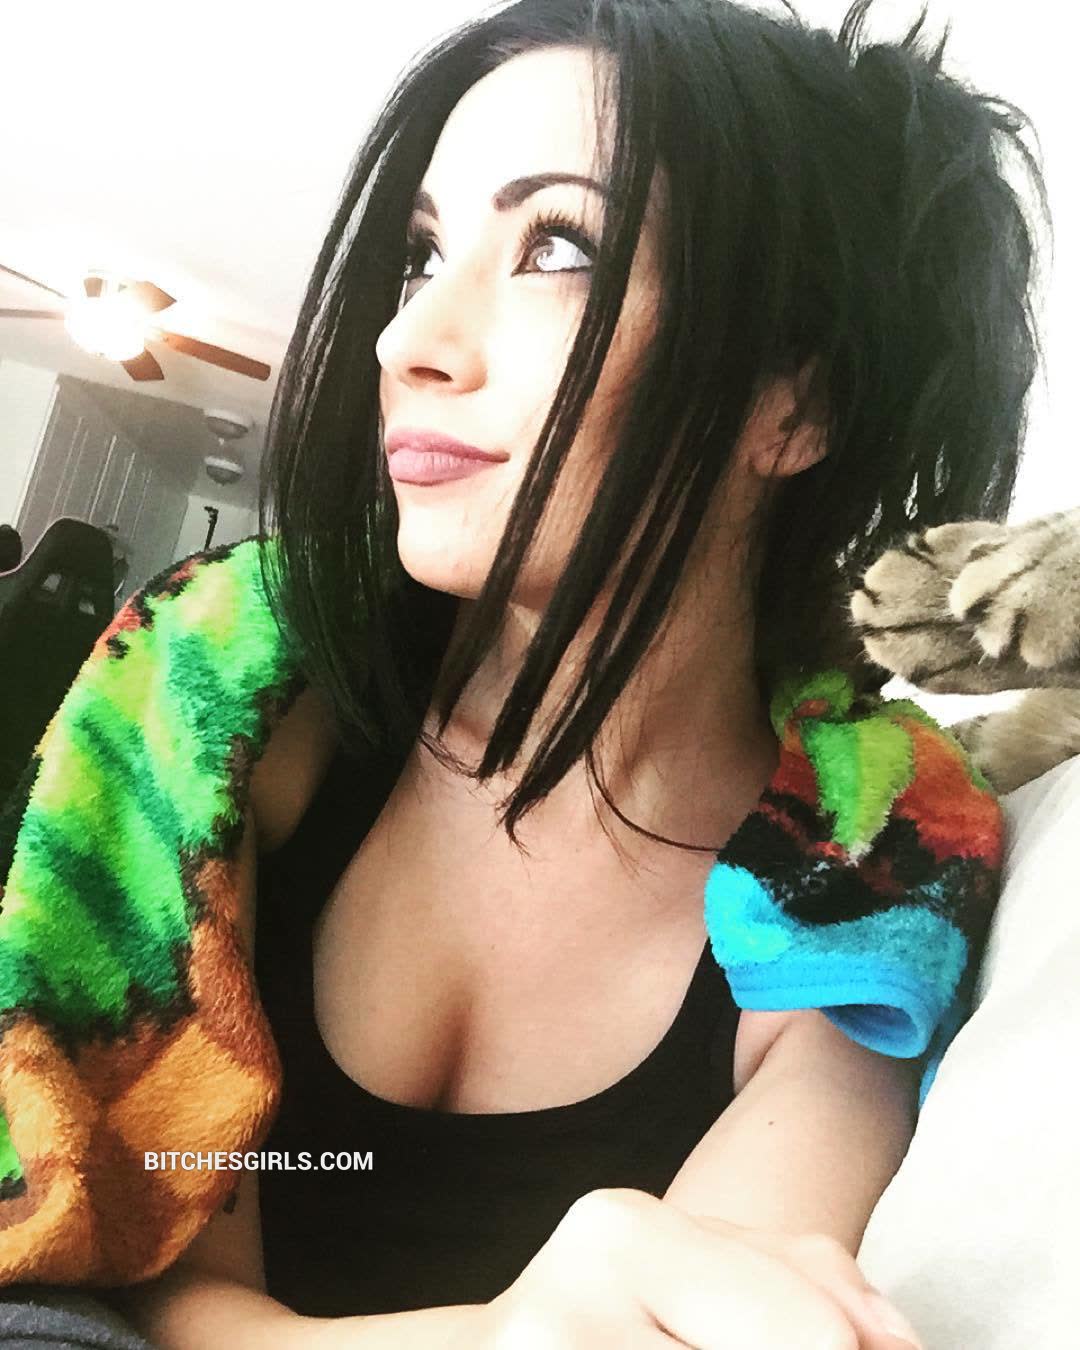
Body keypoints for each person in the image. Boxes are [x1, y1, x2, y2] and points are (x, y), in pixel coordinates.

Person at [0, 0, 1044, 1346]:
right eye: (422, 254)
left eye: (557, 246)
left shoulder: (875, 858)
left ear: (795, 403)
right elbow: (150, 1273)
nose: (406, 342)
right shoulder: (224, 690)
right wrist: (503, 1331)